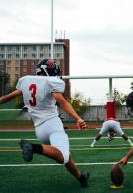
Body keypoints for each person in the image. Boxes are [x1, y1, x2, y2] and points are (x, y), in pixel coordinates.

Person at [0, 59, 89, 188]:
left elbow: (6, 98)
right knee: (63, 156)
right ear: (50, 70)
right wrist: (78, 118)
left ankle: (81, 178)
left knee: (66, 157)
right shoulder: (50, 81)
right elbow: (61, 101)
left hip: (39, 129)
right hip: (53, 124)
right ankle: (33, 147)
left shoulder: (25, 81)